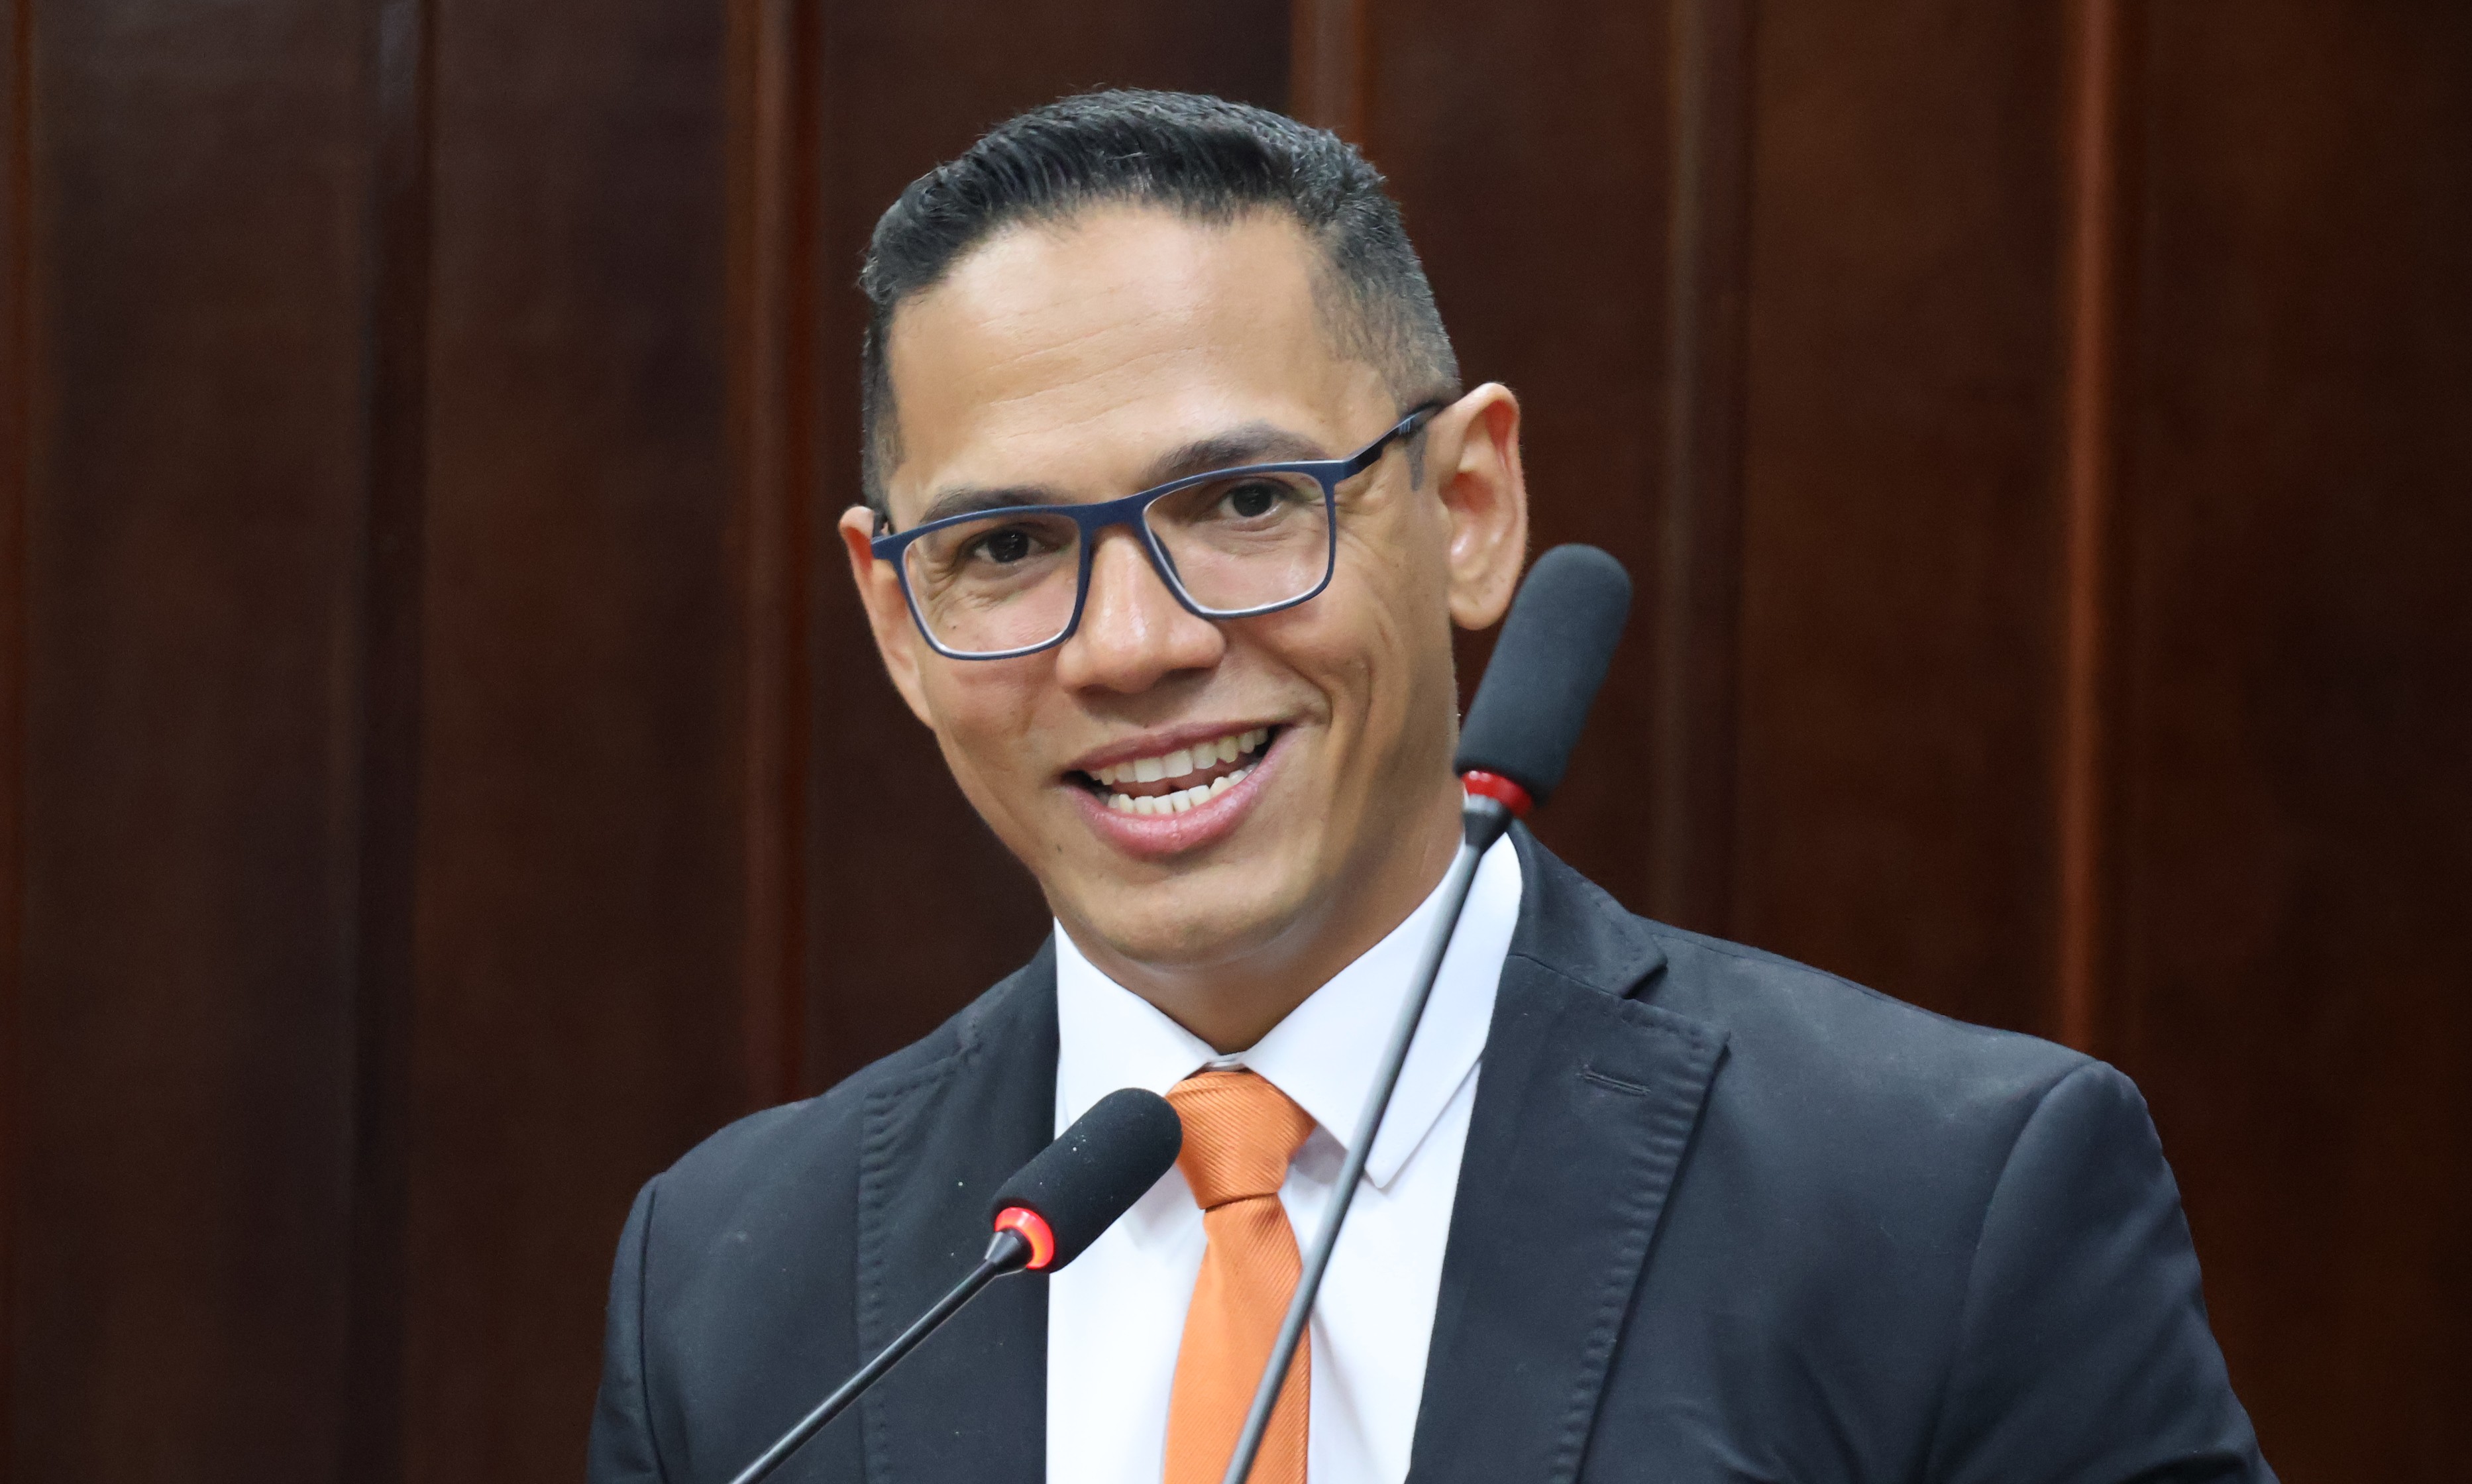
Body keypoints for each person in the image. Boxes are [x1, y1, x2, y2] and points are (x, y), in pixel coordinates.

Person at [586, 90, 2271, 1484]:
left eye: (1245, 503)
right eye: (1009, 545)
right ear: (899, 618)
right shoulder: (730, 1286)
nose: (1130, 647)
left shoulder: (1942, 1206)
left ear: (1469, 507)